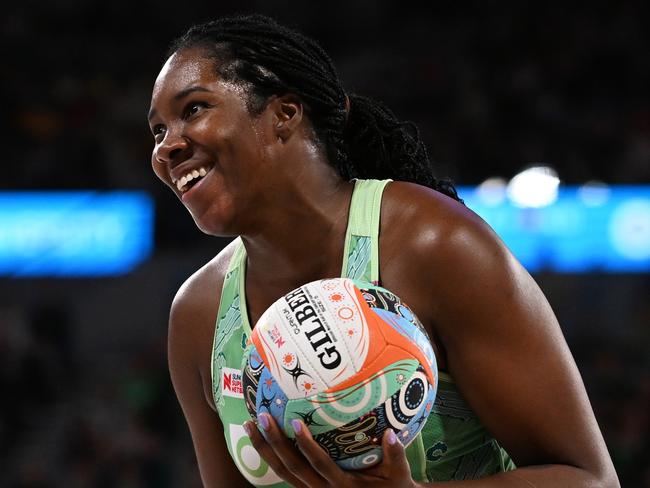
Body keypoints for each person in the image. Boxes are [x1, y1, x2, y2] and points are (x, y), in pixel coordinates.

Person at [148, 14, 619, 488]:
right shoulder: (198, 316)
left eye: (193, 109)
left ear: (284, 114)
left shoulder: (434, 246)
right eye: (157, 131)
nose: (166, 147)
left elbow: (591, 480)